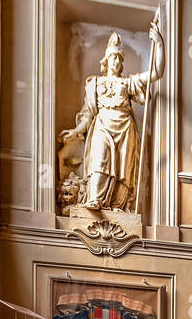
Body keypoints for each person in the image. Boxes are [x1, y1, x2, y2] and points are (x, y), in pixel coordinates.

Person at [58, 15, 164, 212]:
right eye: (113, 57)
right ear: (106, 61)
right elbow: (87, 114)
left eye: (119, 58)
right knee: (99, 160)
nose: (116, 61)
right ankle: (95, 199)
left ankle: (118, 205)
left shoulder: (127, 83)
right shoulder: (95, 83)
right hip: (102, 127)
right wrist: (75, 132)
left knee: (124, 168)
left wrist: (158, 44)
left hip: (125, 129)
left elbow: (156, 73)